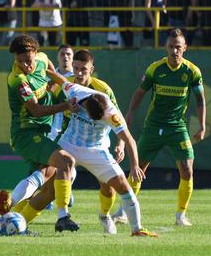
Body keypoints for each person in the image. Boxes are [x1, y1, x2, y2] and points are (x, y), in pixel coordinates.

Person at [47, 52, 157, 237]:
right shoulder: (76, 90)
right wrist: (41, 64)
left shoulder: (109, 109)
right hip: (70, 144)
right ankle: (31, 217)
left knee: (119, 185)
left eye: (84, 69)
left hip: (96, 148)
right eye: (77, 68)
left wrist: (134, 165)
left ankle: (131, 227)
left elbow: (129, 138)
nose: (80, 73)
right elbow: (58, 77)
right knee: (44, 179)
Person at [113, 28, 206, 227]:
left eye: (178, 47)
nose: (174, 51)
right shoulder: (155, 69)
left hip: (177, 127)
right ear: (166, 47)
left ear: (185, 48)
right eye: (171, 47)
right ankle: (122, 211)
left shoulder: (192, 72)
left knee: (187, 170)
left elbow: (200, 100)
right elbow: (139, 92)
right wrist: (129, 114)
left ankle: (181, 215)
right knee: (138, 169)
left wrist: (203, 124)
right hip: (153, 126)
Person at [1, 35, 80, 232]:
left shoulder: (43, 59)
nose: (25, 65)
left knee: (48, 178)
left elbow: (51, 71)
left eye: (28, 60)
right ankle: (63, 216)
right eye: (20, 61)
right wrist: (65, 105)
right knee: (65, 162)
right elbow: (35, 110)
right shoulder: (17, 79)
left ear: (36, 54)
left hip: (42, 132)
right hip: (26, 134)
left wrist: (66, 87)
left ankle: (14, 218)